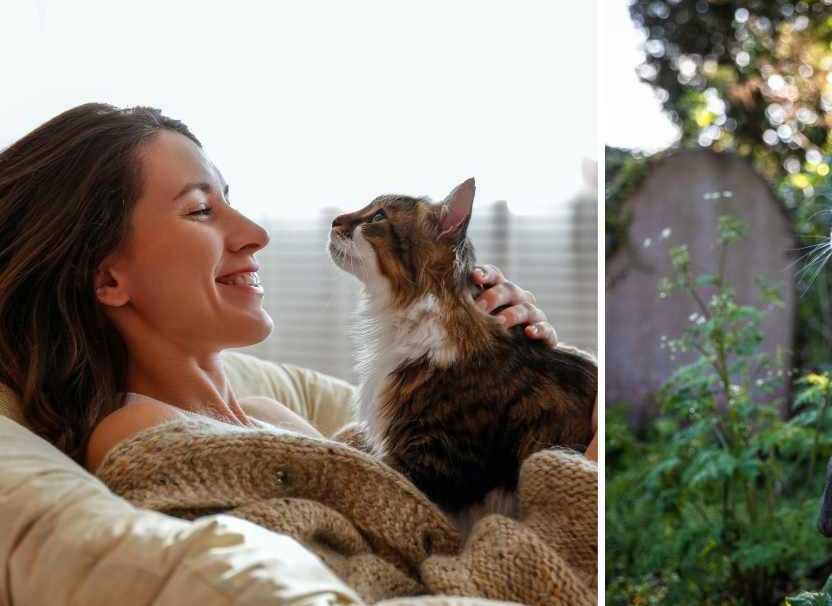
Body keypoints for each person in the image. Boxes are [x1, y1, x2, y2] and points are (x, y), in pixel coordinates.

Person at [0, 102, 597, 473]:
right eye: (201, 210)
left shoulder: (265, 414)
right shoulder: (138, 433)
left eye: (230, 199)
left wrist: (508, 395)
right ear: (107, 277)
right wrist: (587, 467)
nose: (256, 234)